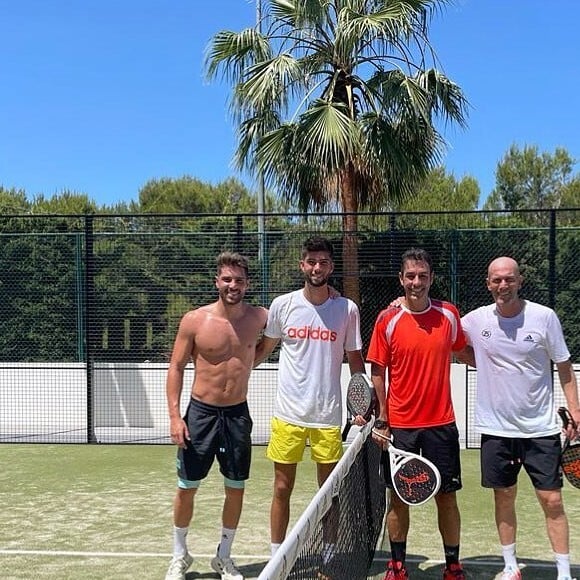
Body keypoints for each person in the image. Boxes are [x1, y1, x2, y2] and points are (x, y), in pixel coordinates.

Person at [460, 256, 580, 580]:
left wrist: (576, 411)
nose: (503, 285)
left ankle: (565, 573)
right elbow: (449, 341)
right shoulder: (474, 320)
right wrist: (479, 361)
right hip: (495, 429)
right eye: (497, 280)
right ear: (488, 284)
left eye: (509, 279)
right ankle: (511, 567)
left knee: (552, 500)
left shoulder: (544, 317)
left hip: (540, 429)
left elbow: (565, 367)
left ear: (519, 281)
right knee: (504, 496)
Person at [254, 236, 366, 568]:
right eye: (311, 261)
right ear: (302, 264)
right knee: (281, 486)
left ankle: (330, 552)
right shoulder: (282, 305)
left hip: (327, 417)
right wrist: (233, 366)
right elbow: (263, 351)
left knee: (328, 493)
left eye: (323, 262)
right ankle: (277, 556)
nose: (317, 267)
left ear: (331, 267)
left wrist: (361, 407)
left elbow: (355, 360)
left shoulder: (346, 309)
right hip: (287, 414)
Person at [164, 252, 268, 580]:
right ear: (217, 282)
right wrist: (174, 417)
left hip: (237, 414)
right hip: (201, 414)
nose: (232, 285)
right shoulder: (195, 320)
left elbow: (302, 312)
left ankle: (224, 556)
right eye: (226, 279)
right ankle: (180, 555)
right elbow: (176, 366)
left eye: (238, 280)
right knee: (187, 487)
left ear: (247, 284)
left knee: (235, 488)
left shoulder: (260, 317)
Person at [367, 248, 469, 580]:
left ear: (431, 279)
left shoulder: (449, 315)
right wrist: (382, 419)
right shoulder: (387, 319)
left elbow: (463, 350)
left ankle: (452, 565)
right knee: (399, 499)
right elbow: (377, 372)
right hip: (401, 429)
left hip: (442, 425)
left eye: (423, 276)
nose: (417, 282)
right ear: (401, 279)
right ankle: (397, 566)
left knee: (447, 498)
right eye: (410, 276)